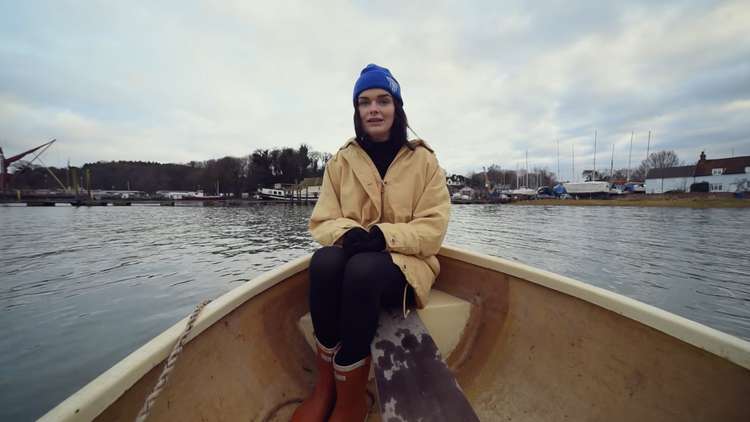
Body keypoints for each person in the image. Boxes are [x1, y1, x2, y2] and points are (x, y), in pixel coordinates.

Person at [292, 64, 451, 422]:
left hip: (406, 267)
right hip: (351, 259)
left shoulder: (425, 161)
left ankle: (351, 404)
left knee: (362, 270)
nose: (374, 109)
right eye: (365, 102)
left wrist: (382, 236)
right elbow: (323, 219)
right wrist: (349, 233)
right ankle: (326, 388)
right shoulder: (341, 161)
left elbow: (433, 228)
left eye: (383, 100)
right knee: (324, 263)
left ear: (397, 107)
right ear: (357, 110)